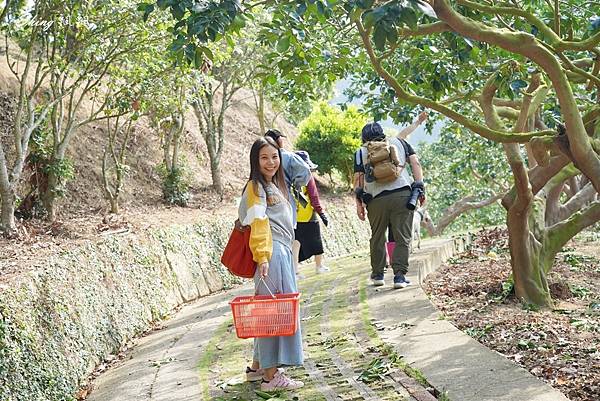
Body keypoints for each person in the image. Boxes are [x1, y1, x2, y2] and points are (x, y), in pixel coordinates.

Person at [238, 137, 304, 391]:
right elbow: (258, 224)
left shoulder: (270, 185)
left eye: (275, 157)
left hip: (281, 252)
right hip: (271, 254)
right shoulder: (256, 187)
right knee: (271, 314)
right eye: (264, 157)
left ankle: (257, 368)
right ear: (255, 160)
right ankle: (271, 377)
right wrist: (263, 256)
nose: (271, 162)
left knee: (271, 310)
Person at [353, 112, 427, 289]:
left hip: (375, 200)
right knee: (402, 236)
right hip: (402, 196)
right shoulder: (399, 142)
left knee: (377, 236)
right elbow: (415, 164)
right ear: (383, 133)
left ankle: (378, 275)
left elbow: (358, 179)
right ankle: (399, 277)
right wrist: (420, 187)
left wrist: (359, 204)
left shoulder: (360, 152)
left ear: (364, 138)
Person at [292, 150, 330, 275]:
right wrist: (322, 213)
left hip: (294, 216)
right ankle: (319, 266)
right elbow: (314, 197)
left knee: (296, 243)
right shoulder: (307, 176)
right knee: (316, 240)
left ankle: (295, 272)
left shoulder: (289, 176)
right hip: (308, 214)